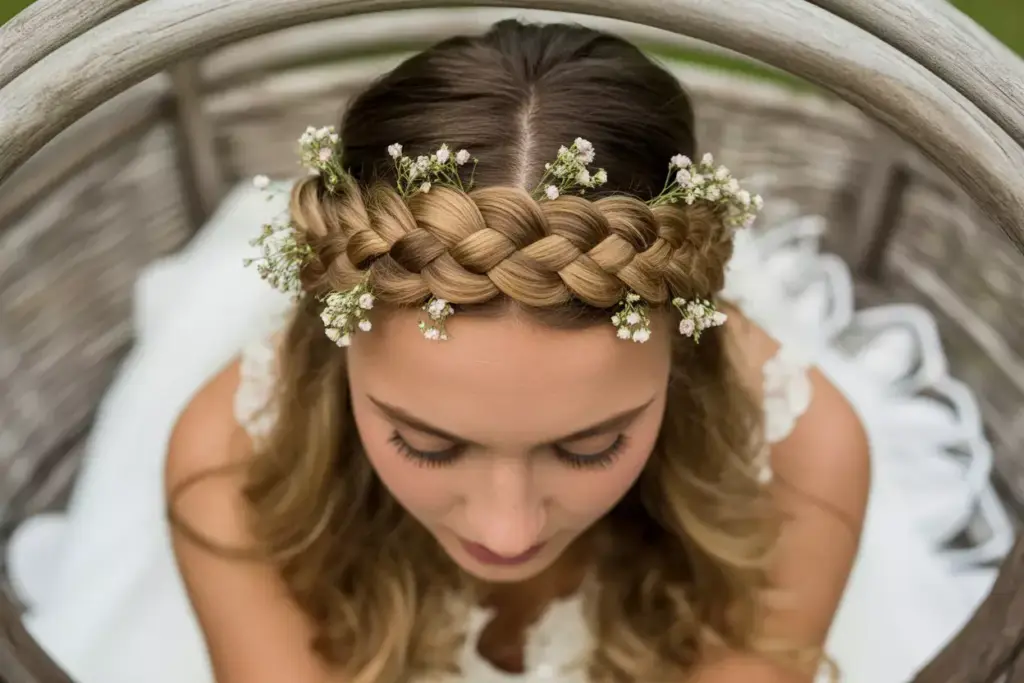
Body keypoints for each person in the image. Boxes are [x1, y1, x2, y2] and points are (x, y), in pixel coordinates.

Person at [8, 18, 1006, 683]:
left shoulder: (804, 454)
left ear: (680, 362)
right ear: (338, 351)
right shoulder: (230, 462)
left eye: (588, 445)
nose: (506, 525)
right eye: (429, 443)